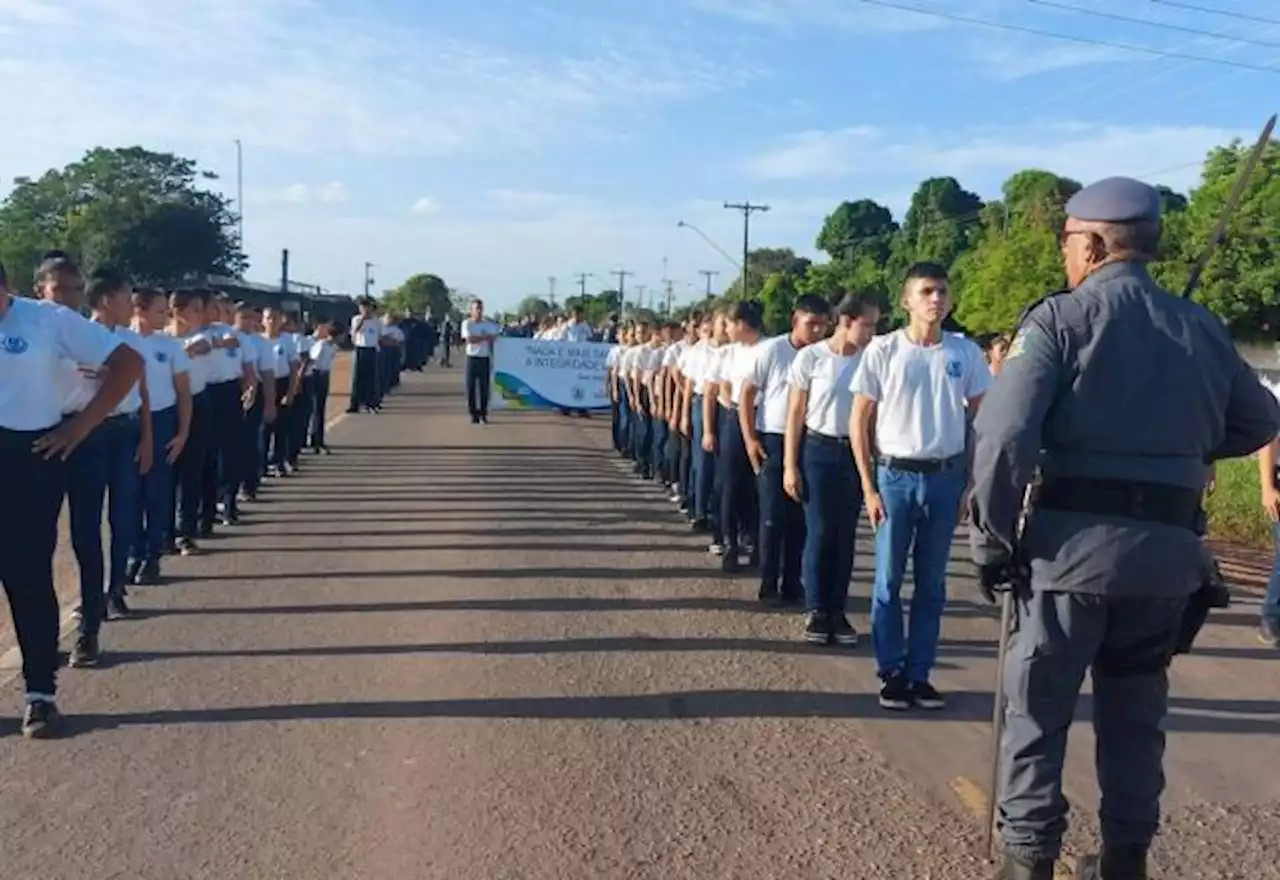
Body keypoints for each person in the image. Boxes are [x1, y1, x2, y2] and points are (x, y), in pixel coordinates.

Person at [967, 177, 1280, 880]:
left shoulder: (1058, 321)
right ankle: (1125, 860)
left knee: (1036, 715)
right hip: (1165, 563)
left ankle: (1027, 862)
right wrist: (1173, 448)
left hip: (1067, 559)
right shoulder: (1197, 325)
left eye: (1068, 243)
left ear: (1095, 243)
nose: (1065, 257)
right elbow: (1259, 421)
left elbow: (1003, 439)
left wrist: (991, 543)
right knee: (1136, 719)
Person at [0, 258, 143, 737]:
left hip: (31, 454)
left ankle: (40, 693)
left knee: (27, 576)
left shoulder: (47, 319)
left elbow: (127, 363)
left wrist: (81, 426)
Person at [852, 262, 990, 711]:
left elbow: (980, 419)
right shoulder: (883, 350)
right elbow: (860, 420)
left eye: (943, 292)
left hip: (945, 477)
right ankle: (891, 670)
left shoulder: (965, 353)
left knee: (932, 583)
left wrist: (972, 482)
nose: (936, 300)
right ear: (906, 300)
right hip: (895, 476)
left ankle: (919, 673)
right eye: (927, 291)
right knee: (889, 580)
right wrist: (869, 487)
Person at [784, 293, 879, 643]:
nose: (871, 332)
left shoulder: (870, 361)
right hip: (818, 450)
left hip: (854, 454)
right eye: (867, 324)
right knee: (821, 531)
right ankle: (816, 609)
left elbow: (872, 417)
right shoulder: (812, 357)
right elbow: (795, 412)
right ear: (846, 321)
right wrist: (789, 465)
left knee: (845, 537)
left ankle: (838, 611)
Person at [740, 294, 829, 606]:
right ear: (795, 320)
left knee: (800, 518)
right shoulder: (772, 350)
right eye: (811, 324)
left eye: (822, 325)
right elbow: (747, 393)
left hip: (810, 441)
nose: (816, 331)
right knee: (773, 516)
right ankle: (768, 580)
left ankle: (793, 580)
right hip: (774, 439)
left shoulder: (823, 355)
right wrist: (750, 439)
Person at [130, 287, 192, 587]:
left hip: (162, 420)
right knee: (129, 496)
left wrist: (182, 433)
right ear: (138, 309)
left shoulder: (169, 346)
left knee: (156, 492)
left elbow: (183, 393)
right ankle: (131, 555)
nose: (164, 315)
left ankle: (151, 557)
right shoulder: (118, 340)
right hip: (128, 422)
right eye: (158, 309)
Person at [710, 301, 764, 574]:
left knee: (757, 487)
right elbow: (723, 386)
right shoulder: (729, 353)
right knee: (730, 484)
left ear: (742, 323)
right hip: (733, 419)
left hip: (763, 420)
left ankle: (757, 541)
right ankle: (730, 543)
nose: (727, 330)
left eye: (729, 324)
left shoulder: (768, 349)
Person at [461, 299, 500, 423]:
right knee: (470, 387)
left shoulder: (488, 325)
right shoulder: (467, 323)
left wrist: (484, 337)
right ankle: (473, 413)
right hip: (472, 358)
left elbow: (495, 337)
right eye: (476, 308)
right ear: (471, 310)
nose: (478, 311)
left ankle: (483, 413)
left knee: (484, 388)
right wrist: (484, 337)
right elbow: (470, 339)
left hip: (484, 358)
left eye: (480, 308)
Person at [306, 321, 337, 454]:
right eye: (326, 326)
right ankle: (311, 440)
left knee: (318, 408)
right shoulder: (310, 341)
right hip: (314, 374)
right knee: (311, 409)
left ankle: (317, 440)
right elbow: (311, 360)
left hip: (323, 374)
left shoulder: (331, 345)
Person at [347, 298, 382, 413]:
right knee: (357, 378)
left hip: (372, 349)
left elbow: (379, 335)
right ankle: (355, 404)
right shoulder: (356, 319)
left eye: (367, 308)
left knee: (371, 378)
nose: (366, 310)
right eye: (363, 308)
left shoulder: (376, 321)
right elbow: (354, 332)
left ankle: (371, 403)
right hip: (360, 348)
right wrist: (363, 319)